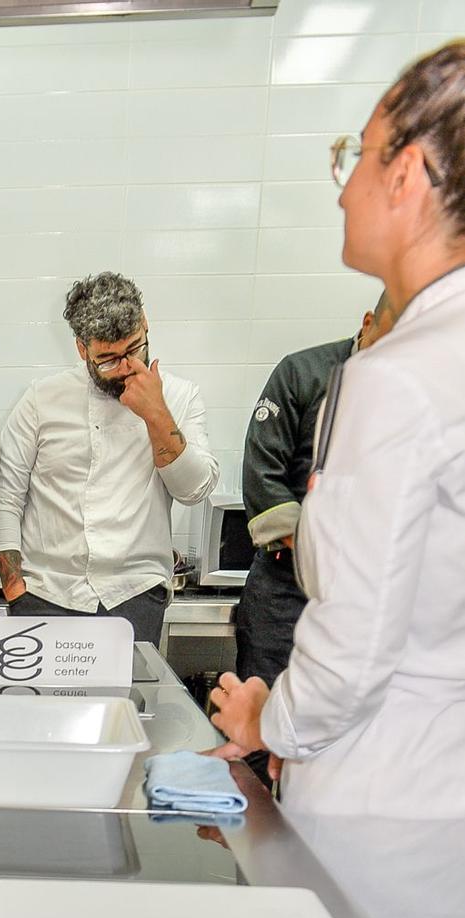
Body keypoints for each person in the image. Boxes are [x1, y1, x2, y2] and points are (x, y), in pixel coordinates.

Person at [210, 40, 465, 817]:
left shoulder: (396, 375)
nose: (339, 190)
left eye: (352, 155)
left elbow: (350, 651)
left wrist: (268, 719)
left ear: (405, 173)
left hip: (388, 794)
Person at [0, 272, 218, 647]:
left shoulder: (180, 397)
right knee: (41, 707)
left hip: (134, 596)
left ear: (145, 325)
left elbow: (194, 490)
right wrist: (16, 589)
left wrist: (157, 414)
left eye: (134, 350)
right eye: (107, 360)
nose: (125, 368)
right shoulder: (41, 400)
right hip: (46, 596)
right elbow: (5, 497)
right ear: (82, 349)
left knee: (124, 707)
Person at [234, 292, 397, 687]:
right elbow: (262, 475)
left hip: (370, 597)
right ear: (367, 321)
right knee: (264, 719)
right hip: (284, 590)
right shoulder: (302, 373)